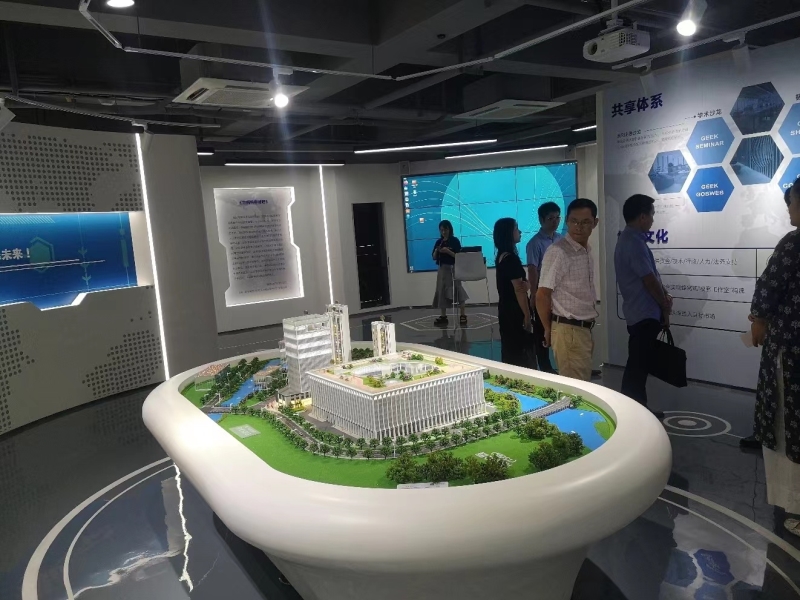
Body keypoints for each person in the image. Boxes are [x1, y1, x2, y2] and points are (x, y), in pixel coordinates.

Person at [750, 176, 800, 537]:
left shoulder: (793, 244)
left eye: (792, 202)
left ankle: (795, 505)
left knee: (787, 425)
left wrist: (758, 320)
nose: (789, 210)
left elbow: (767, 292)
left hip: (790, 352)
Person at [614, 194, 672, 415]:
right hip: (643, 314)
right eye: (651, 215)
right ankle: (635, 411)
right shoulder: (633, 243)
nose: (653, 220)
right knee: (638, 366)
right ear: (642, 217)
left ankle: (636, 408)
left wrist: (664, 295)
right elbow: (649, 280)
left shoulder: (631, 240)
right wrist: (664, 304)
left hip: (639, 313)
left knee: (638, 364)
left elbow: (652, 277)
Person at [536, 198, 599, 381]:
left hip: (582, 329)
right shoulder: (558, 251)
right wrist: (548, 329)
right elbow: (542, 295)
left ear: (595, 223)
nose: (579, 227)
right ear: (567, 221)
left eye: (585, 222)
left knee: (581, 383)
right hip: (568, 330)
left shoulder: (586, 250)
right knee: (577, 388)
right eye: (574, 221)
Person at [525, 201, 562, 373]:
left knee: (560, 329)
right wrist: (534, 294)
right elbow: (532, 269)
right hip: (543, 293)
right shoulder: (535, 243)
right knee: (541, 330)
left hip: (560, 293)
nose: (555, 222)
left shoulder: (561, 239)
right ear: (541, 220)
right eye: (550, 218)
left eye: (557, 218)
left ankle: (564, 364)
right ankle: (546, 367)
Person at [494, 217, 535, 368]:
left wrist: (527, 284)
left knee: (510, 350)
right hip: (515, 311)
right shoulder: (511, 259)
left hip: (505, 310)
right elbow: (519, 289)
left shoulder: (501, 256)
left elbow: (520, 285)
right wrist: (527, 315)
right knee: (520, 352)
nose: (520, 231)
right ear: (508, 233)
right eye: (516, 228)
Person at [431, 219, 468, 326]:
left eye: (445, 229)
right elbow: (434, 257)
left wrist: (448, 251)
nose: (444, 232)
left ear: (450, 229)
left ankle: (462, 315)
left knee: (458, 290)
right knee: (442, 291)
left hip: (454, 268)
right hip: (443, 269)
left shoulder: (455, 241)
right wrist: (437, 250)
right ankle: (443, 316)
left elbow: (459, 256)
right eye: (441, 230)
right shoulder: (439, 242)